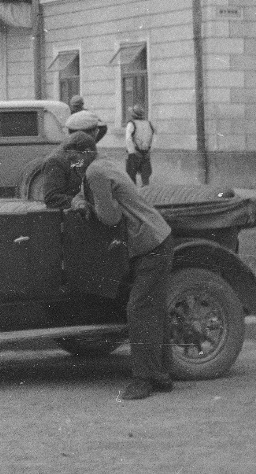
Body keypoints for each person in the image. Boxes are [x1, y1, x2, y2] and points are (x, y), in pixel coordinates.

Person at [72, 143, 174, 401]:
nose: (69, 161)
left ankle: (143, 380)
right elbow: (82, 195)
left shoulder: (94, 172)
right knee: (153, 308)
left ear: (83, 154)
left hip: (149, 243)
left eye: (72, 154)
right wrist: (82, 201)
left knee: (139, 309)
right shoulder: (101, 165)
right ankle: (160, 375)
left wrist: (90, 206)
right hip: (156, 239)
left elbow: (110, 217)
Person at [27, 131, 96, 208]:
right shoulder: (56, 162)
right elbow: (52, 198)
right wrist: (76, 202)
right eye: (73, 159)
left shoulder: (89, 158)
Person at [124, 105, 155, 186]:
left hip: (135, 154)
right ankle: (146, 193)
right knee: (145, 178)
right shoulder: (149, 124)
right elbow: (154, 138)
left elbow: (128, 139)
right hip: (146, 153)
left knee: (131, 177)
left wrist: (132, 152)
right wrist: (150, 151)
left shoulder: (131, 124)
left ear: (133, 115)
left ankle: (134, 195)